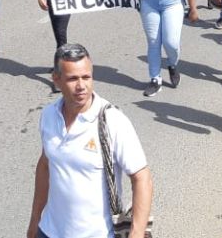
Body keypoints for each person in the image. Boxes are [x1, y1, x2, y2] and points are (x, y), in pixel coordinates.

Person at [26, 44, 152, 238]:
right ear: (56, 80)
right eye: (72, 79)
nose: (81, 86)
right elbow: (45, 165)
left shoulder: (112, 121)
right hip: (49, 231)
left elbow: (141, 177)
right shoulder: (49, 115)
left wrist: (136, 233)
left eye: (86, 77)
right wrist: (35, 221)